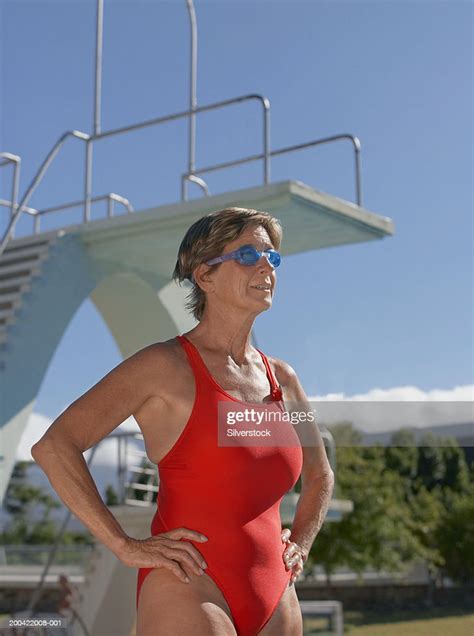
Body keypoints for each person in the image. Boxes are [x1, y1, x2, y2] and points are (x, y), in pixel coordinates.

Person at [31, 207, 335, 636]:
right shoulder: (162, 366)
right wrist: (124, 545)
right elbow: (54, 446)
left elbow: (320, 476)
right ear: (204, 275)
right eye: (247, 255)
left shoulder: (284, 380)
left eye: (272, 256)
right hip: (190, 587)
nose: (266, 265)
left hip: (276, 594)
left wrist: (300, 544)